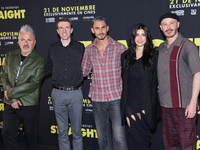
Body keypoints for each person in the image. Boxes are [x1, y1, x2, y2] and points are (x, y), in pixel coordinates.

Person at [82, 16, 127, 150]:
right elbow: (84, 71)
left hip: (116, 98)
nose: (100, 31)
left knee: (119, 137)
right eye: (97, 28)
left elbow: (128, 73)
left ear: (107, 28)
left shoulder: (120, 48)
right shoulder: (89, 49)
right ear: (92, 30)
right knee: (102, 137)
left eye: (103, 27)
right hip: (97, 99)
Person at [158, 13, 200, 149]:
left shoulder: (188, 46)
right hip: (165, 107)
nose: (168, 27)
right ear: (160, 27)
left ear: (178, 24)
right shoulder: (161, 49)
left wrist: (193, 103)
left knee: (187, 146)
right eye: (164, 24)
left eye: (171, 23)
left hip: (184, 108)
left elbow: (198, 74)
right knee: (170, 146)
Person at [0, 25, 45, 150]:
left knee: (30, 138)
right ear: (18, 42)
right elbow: (3, 76)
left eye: (29, 40)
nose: (26, 43)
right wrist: (12, 99)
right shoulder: (10, 55)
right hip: (10, 103)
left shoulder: (40, 61)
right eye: (23, 39)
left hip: (29, 103)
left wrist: (10, 94)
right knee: (7, 134)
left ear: (34, 43)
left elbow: (33, 84)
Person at [46, 18, 84, 150]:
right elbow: (48, 69)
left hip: (75, 93)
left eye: (67, 27)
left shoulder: (80, 47)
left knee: (77, 132)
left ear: (71, 30)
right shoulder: (52, 48)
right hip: (58, 94)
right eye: (61, 28)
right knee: (62, 132)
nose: (64, 30)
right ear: (57, 31)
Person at [121, 23, 159, 150]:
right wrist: (128, 109)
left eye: (143, 35)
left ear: (148, 37)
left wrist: (144, 108)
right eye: (137, 35)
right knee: (132, 141)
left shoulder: (154, 55)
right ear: (133, 37)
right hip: (129, 107)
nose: (140, 38)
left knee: (143, 142)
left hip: (145, 107)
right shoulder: (125, 56)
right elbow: (126, 84)